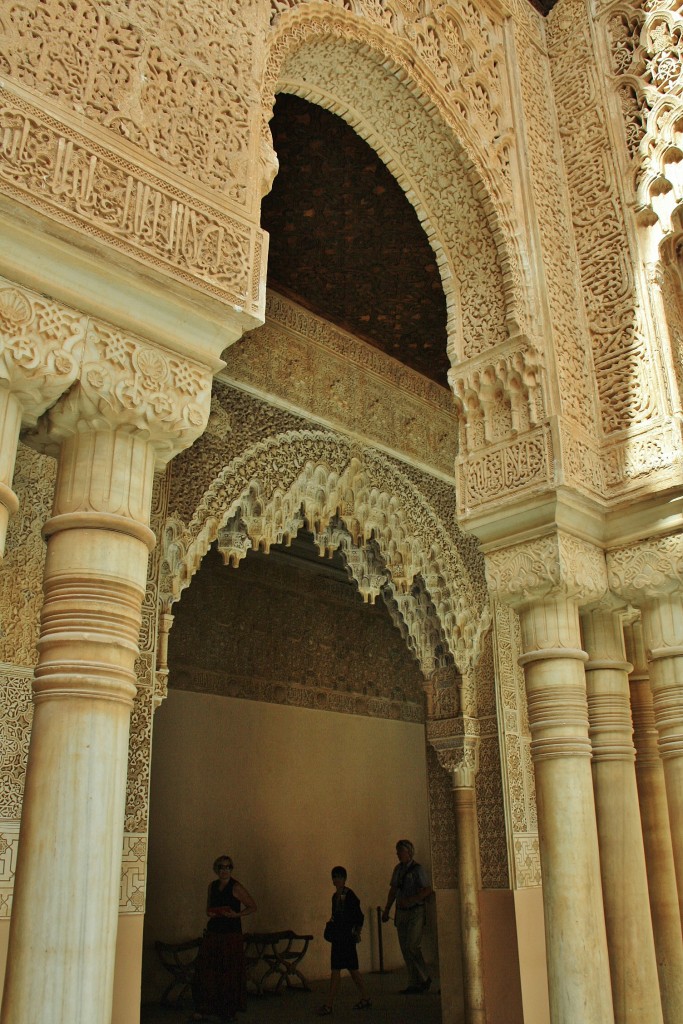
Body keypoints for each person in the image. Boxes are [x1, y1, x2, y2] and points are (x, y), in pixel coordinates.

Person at [193, 854, 257, 1023]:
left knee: (229, 971)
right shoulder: (212, 886)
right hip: (214, 932)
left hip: (231, 934)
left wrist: (237, 914)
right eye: (221, 867)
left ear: (231, 869)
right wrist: (213, 912)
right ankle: (207, 1007)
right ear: (217, 869)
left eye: (228, 867)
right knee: (209, 970)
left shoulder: (236, 887)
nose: (224, 870)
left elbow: (252, 906)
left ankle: (228, 1010)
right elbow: (209, 908)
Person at [317, 866, 371, 1016]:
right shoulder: (335, 897)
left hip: (345, 938)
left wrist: (356, 932)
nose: (336, 880)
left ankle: (331, 1004)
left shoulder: (349, 895)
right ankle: (331, 1003)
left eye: (339, 877)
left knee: (350, 970)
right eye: (334, 877)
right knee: (340, 970)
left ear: (344, 878)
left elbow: (359, 916)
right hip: (339, 938)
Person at [381, 839, 433, 994]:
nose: (398, 854)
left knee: (412, 945)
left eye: (401, 851)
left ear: (409, 852)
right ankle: (413, 982)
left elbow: (427, 889)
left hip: (415, 911)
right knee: (405, 948)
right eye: (397, 851)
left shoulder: (418, 870)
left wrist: (412, 900)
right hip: (401, 912)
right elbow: (393, 890)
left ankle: (424, 977)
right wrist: (387, 909)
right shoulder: (397, 869)